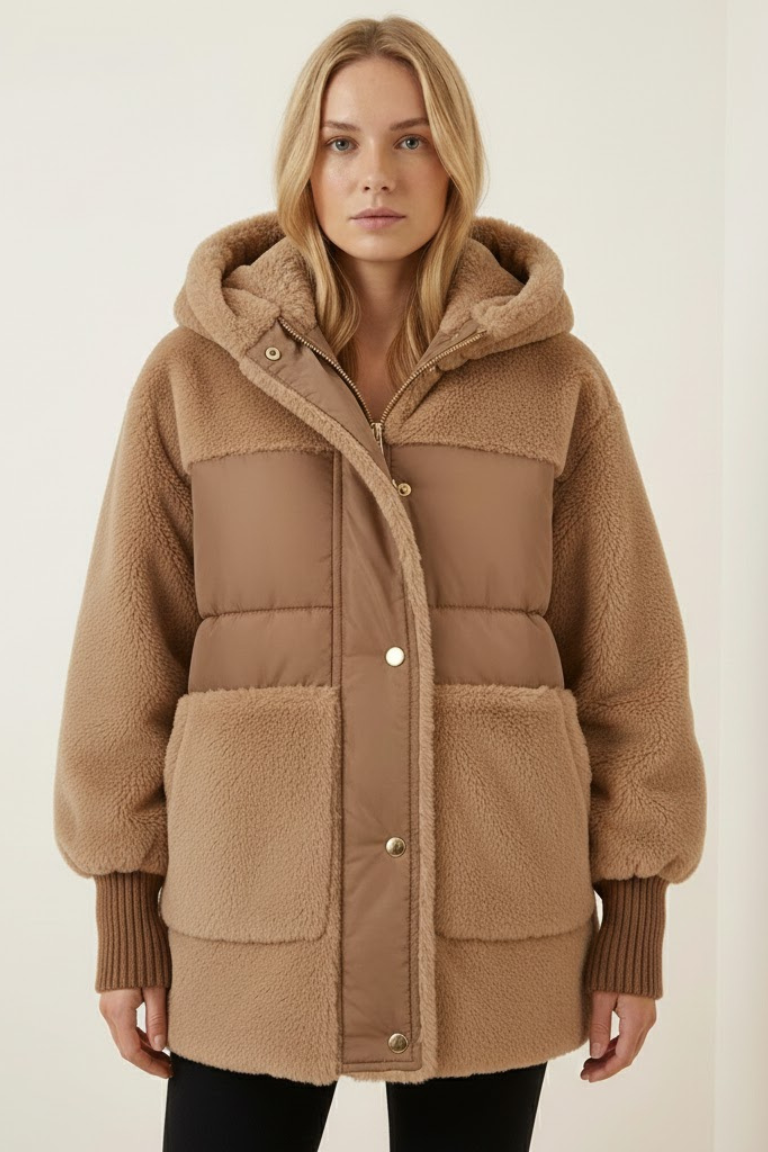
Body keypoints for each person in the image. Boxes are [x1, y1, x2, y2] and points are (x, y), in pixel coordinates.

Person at [52, 14, 708, 1152]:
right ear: (303, 164)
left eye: (411, 141)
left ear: (455, 158)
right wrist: (124, 911)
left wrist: (635, 919)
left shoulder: (554, 382)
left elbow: (631, 656)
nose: (375, 176)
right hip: (250, 915)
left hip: (490, 914)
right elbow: (125, 650)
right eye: (342, 142)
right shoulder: (195, 378)